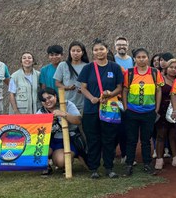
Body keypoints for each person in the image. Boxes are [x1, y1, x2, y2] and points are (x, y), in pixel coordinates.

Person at [78, 39, 125, 179]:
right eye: (96, 50)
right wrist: (92, 98)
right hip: (91, 109)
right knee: (93, 139)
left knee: (109, 138)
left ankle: (109, 167)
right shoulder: (88, 68)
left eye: (102, 49)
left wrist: (111, 94)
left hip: (109, 108)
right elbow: (83, 87)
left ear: (107, 50)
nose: (99, 52)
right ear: (92, 52)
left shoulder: (114, 67)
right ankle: (94, 168)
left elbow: (119, 87)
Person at [122, 48, 164, 176]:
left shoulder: (154, 72)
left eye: (144, 57)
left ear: (148, 58)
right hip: (132, 111)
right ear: (134, 59)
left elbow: (158, 91)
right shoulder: (129, 73)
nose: (141, 59)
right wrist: (125, 107)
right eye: (139, 57)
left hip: (149, 111)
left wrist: (156, 108)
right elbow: (124, 90)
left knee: (146, 140)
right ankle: (129, 164)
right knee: (131, 139)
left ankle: (147, 164)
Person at [37, 87, 84, 173]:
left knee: (61, 161)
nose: (47, 101)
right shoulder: (41, 112)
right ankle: (46, 165)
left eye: (49, 97)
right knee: (36, 150)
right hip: (51, 141)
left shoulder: (67, 104)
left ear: (55, 96)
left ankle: (63, 160)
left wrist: (63, 114)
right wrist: (47, 122)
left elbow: (78, 120)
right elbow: (36, 132)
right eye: (44, 100)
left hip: (69, 139)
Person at [155, 58, 176, 169]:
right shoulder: (161, 79)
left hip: (175, 111)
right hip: (162, 109)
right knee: (161, 135)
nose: (173, 70)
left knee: (173, 135)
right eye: (171, 67)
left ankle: (175, 158)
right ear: (166, 68)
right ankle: (159, 159)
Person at [54, 41, 89, 111]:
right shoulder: (63, 65)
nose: (75, 53)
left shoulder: (87, 66)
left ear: (82, 52)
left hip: (83, 103)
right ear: (70, 52)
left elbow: (91, 83)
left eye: (78, 51)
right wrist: (67, 87)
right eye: (73, 51)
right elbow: (57, 83)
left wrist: (84, 89)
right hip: (67, 103)